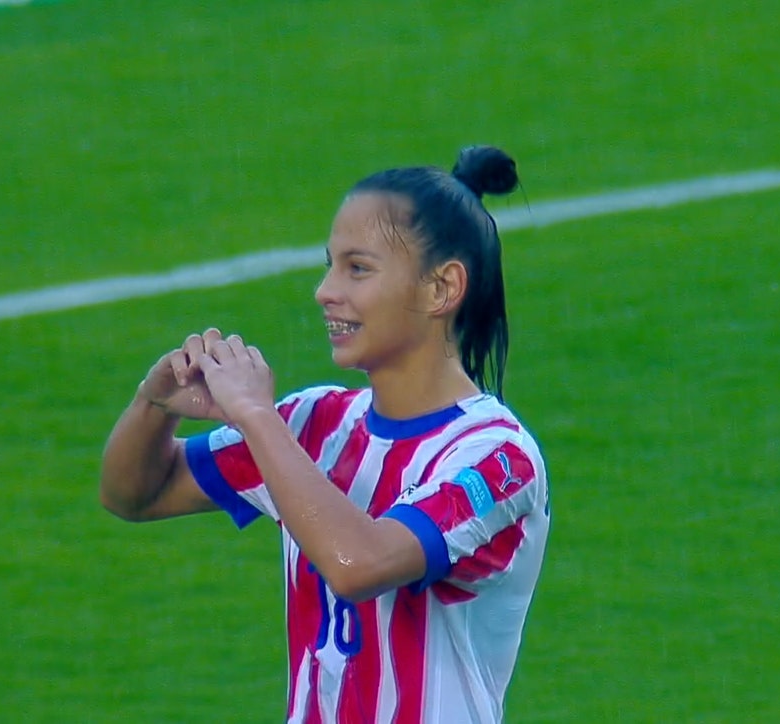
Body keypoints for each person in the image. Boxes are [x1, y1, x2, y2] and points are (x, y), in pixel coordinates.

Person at [100, 146, 550, 723]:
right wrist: (154, 403)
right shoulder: (314, 423)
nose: (325, 290)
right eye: (330, 264)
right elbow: (134, 494)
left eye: (357, 269)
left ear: (442, 289)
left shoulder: (498, 458)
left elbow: (360, 564)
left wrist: (256, 416)